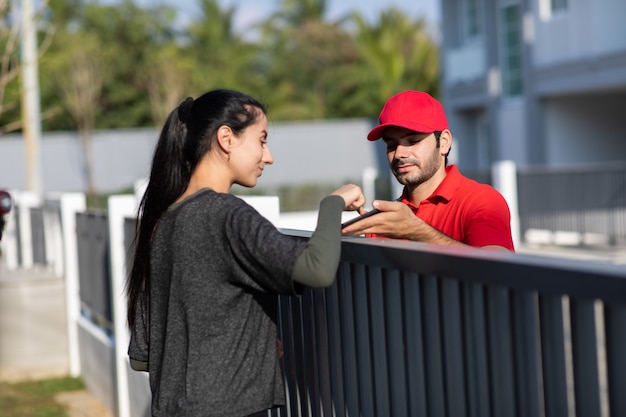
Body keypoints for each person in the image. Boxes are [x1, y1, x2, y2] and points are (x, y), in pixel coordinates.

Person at [125, 89, 365, 417]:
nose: (268, 156)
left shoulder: (165, 221)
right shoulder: (225, 214)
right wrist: (332, 204)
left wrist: (255, 339)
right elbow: (316, 267)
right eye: (262, 140)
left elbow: (144, 354)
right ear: (227, 138)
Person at [342, 90, 515, 251]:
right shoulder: (386, 219)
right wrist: (333, 207)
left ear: (444, 142)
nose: (399, 153)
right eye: (391, 145)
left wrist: (417, 232)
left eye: (413, 141)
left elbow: (500, 272)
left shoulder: (481, 201)